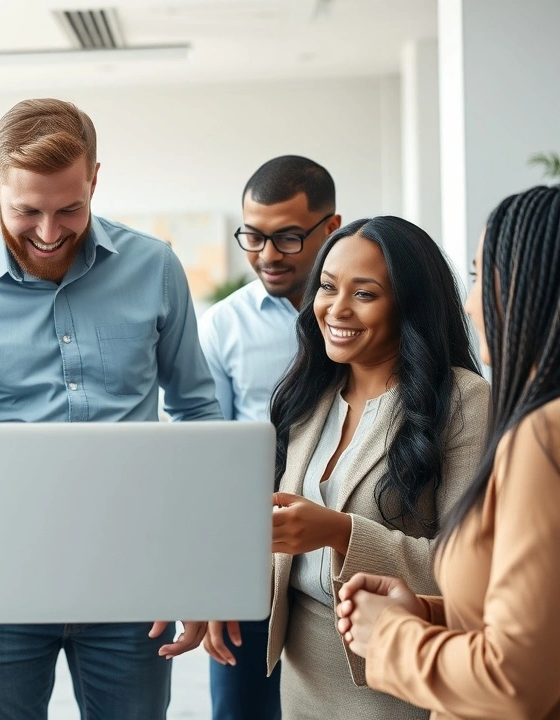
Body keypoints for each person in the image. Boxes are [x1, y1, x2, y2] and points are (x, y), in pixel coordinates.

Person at [0, 98, 222, 719]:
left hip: (133, 576)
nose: (49, 234)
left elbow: (198, 414)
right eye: (27, 210)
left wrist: (197, 568)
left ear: (95, 180)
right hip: (4, 578)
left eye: (69, 209)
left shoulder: (154, 268)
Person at [336, 185, 560, 720]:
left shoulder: (557, 437)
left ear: (543, 291)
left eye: (478, 277)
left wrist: (390, 635)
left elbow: (514, 680)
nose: (471, 304)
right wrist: (426, 614)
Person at [204, 216, 490, 719]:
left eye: (364, 294)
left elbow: (467, 574)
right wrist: (213, 585)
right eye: (328, 287)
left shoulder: (465, 403)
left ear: (409, 304)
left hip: (398, 686)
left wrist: (339, 532)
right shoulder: (308, 397)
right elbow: (276, 532)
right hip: (302, 678)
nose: (335, 309)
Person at [197, 155, 342, 720]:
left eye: (286, 237)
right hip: (252, 552)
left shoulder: (367, 319)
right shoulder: (222, 327)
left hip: (342, 546)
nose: (266, 255)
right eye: (252, 237)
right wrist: (212, 576)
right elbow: (208, 460)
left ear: (331, 228)